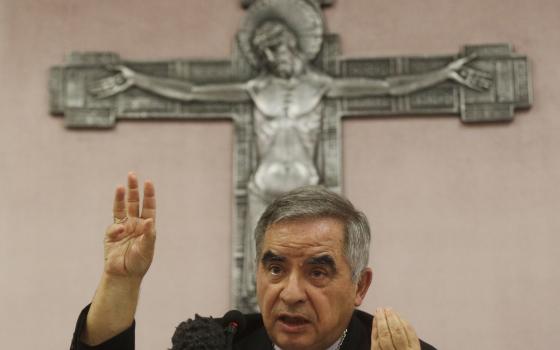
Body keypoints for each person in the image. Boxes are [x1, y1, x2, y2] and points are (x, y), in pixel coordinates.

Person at [89, 20, 491, 309]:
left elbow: (387, 87)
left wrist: (445, 74)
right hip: (263, 187)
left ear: (293, 46)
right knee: (261, 278)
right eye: (265, 53)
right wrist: (135, 80)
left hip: (306, 188)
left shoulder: (321, 86)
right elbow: (193, 92)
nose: (272, 58)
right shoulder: (255, 87)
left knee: (306, 263)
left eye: (276, 49)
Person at [70, 172, 437, 350]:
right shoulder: (223, 345)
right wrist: (121, 281)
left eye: (318, 272)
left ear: (359, 286)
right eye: (276, 269)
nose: (290, 293)